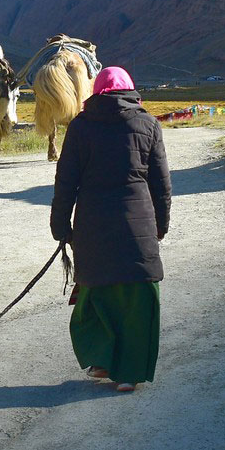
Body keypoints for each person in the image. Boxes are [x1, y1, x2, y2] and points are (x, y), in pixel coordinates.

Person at [51, 66, 171, 392]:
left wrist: (60, 226)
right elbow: (161, 184)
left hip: (92, 228)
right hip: (138, 227)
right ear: (130, 90)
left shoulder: (80, 127)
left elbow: (66, 182)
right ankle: (128, 373)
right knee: (136, 302)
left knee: (96, 296)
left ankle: (102, 361)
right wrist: (160, 225)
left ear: (96, 91)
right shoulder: (148, 124)